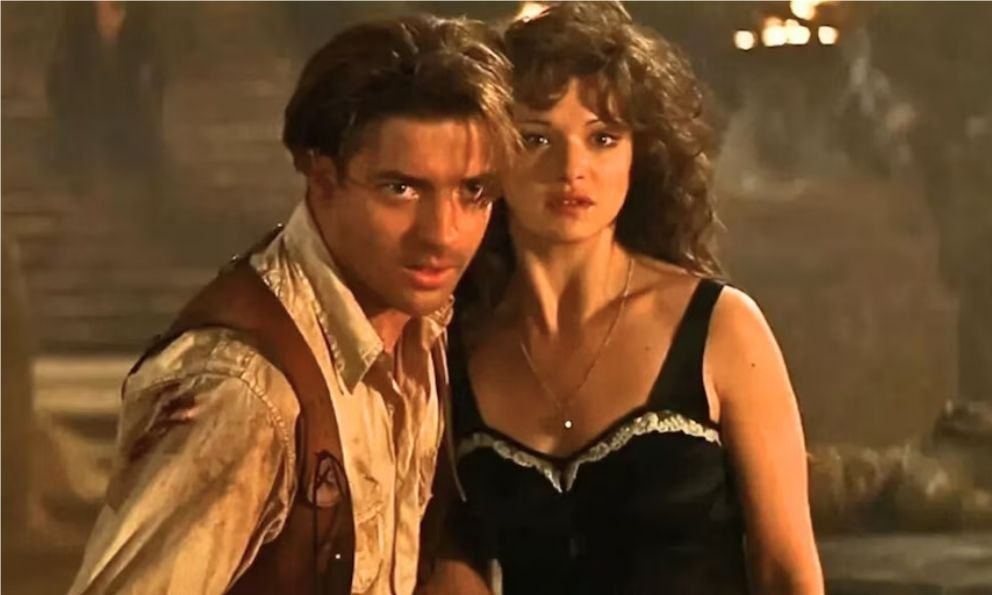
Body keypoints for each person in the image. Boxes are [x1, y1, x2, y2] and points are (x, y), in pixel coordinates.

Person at [68, 13, 516, 595]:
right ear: (322, 179)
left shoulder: (424, 325)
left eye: (472, 191)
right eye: (401, 189)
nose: (443, 234)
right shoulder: (242, 390)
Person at [424, 3, 823, 594]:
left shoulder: (720, 327)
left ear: (640, 154)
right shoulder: (455, 345)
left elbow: (787, 573)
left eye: (603, 138)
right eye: (536, 138)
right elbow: (450, 560)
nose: (572, 168)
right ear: (489, 155)